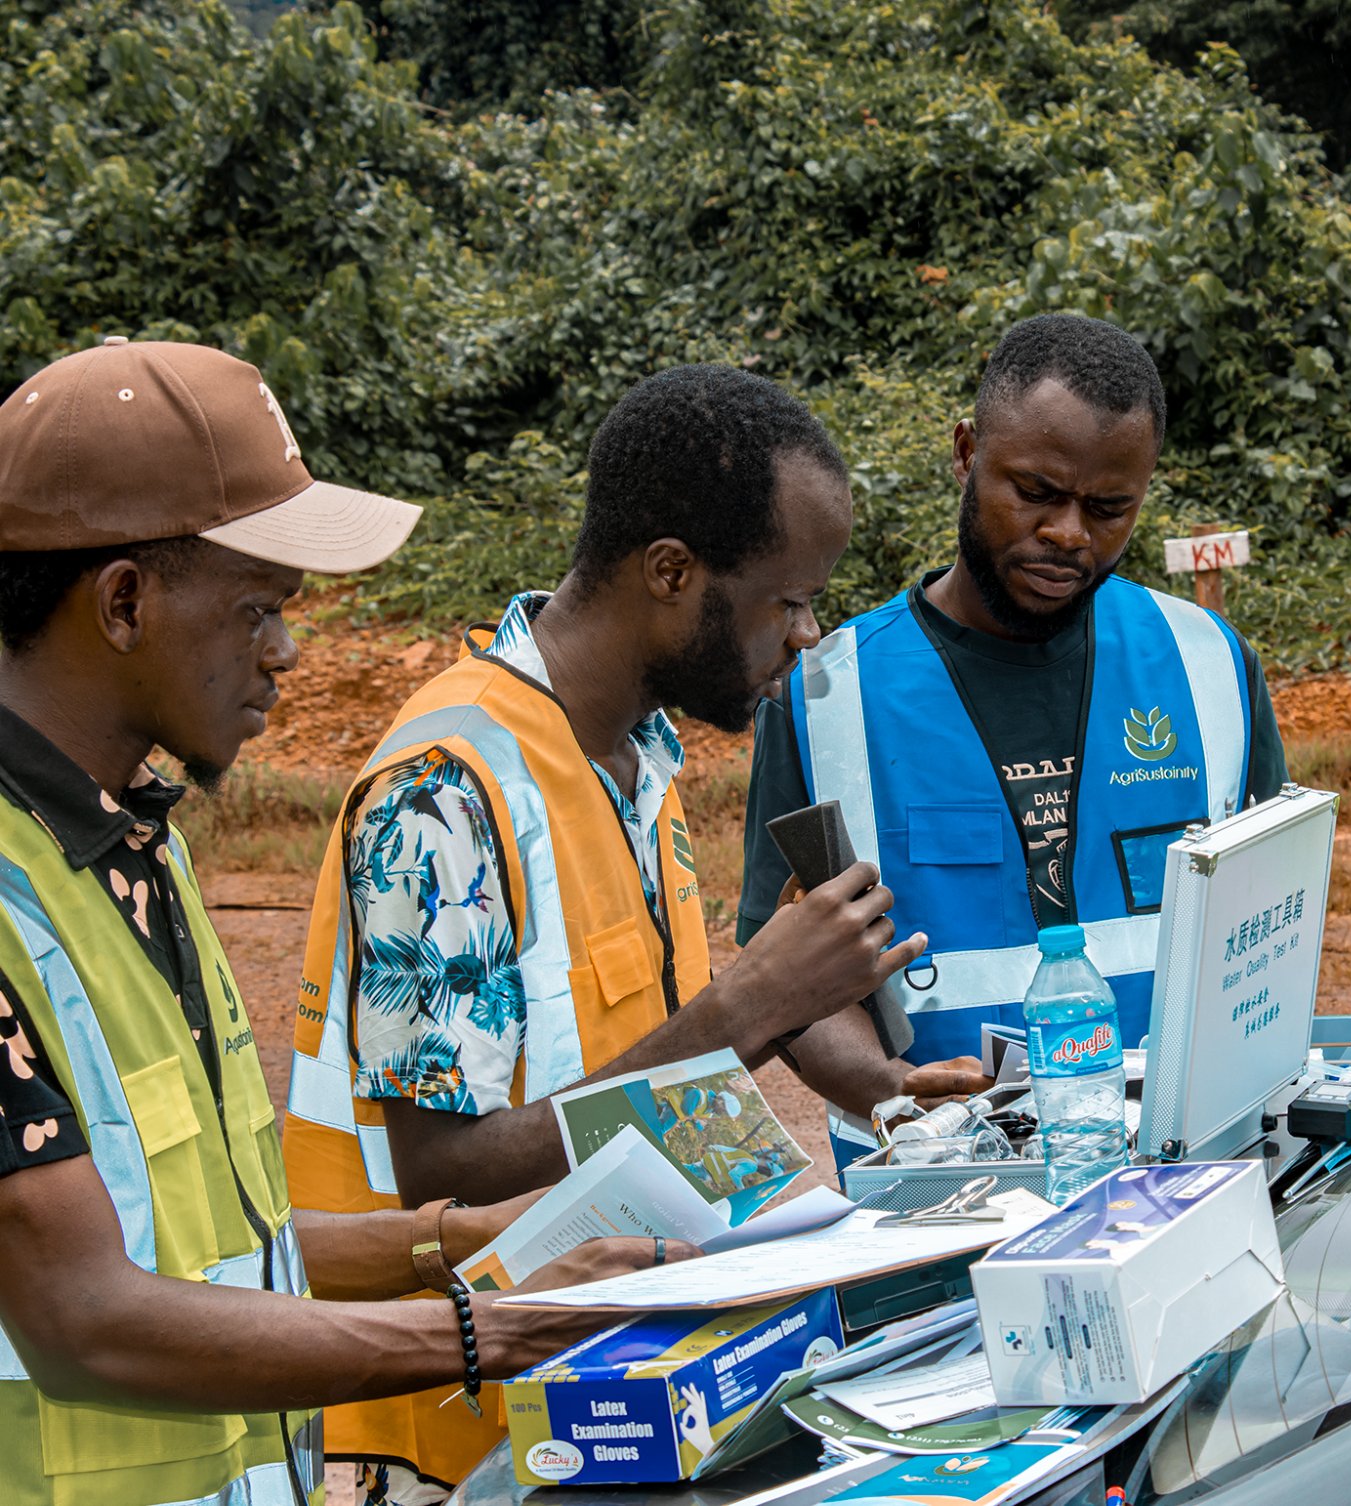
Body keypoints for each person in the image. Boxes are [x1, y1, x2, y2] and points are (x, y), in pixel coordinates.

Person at [0, 338, 673, 1506]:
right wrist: (476, 1332)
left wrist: (465, 1238)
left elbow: (212, 1256)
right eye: (258, 608)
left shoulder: (128, 850)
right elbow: (84, 1317)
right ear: (123, 600)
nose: (286, 653)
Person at [284, 364, 926, 1499]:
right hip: (447, 1438)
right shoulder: (444, 789)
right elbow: (443, 1165)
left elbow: (638, 1055)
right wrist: (749, 1012)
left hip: (602, 1393)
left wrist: (875, 1085)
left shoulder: (639, 760)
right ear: (671, 575)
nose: (806, 634)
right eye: (786, 600)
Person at [738, 314, 1289, 1165]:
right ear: (965, 454)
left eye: (1110, 508)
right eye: (1035, 492)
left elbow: (1268, 935)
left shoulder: (1209, 665)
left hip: (1188, 1182)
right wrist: (887, 1091)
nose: (1071, 533)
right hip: (929, 1203)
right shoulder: (823, 692)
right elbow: (786, 978)